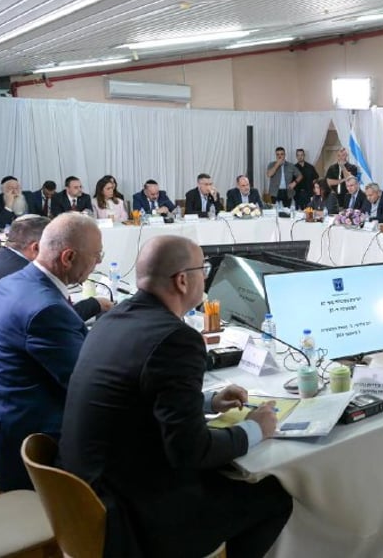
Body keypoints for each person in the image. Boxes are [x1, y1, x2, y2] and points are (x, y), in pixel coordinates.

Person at [61, 235, 292, 558]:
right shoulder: (176, 339)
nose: (206, 276)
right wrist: (256, 428)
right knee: (274, 496)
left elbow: (137, 395)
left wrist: (208, 402)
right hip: (130, 512)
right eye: (204, 269)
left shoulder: (113, 317)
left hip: (82, 492)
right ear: (183, 280)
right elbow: (189, 452)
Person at [0, 213, 103, 491]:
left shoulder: (11, 282)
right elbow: (88, 388)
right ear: (68, 257)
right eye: (97, 255)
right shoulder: (46, 309)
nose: (99, 262)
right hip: (28, 434)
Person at [0, 215, 111, 369]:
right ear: (37, 248)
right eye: (96, 255)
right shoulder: (27, 286)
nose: (98, 261)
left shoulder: (5, 267)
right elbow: (80, 375)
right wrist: (95, 306)